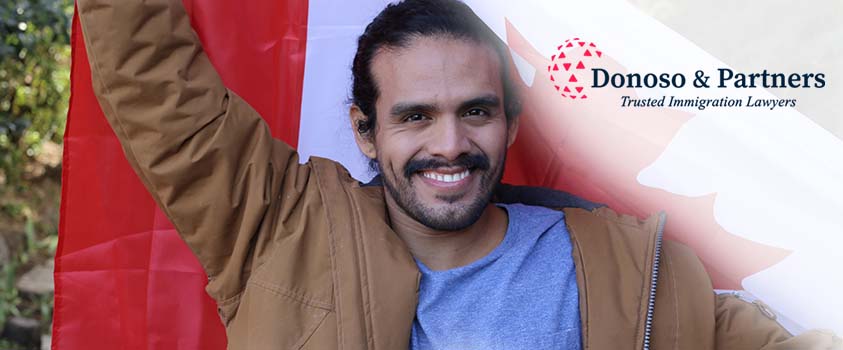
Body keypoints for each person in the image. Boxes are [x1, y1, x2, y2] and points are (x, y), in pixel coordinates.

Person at [74, 0, 841, 348]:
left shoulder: (634, 267)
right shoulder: (279, 228)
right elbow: (154, 85)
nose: (450, 144)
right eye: (413, 116)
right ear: (363, 130)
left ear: (510, 119)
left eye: (475, 111)